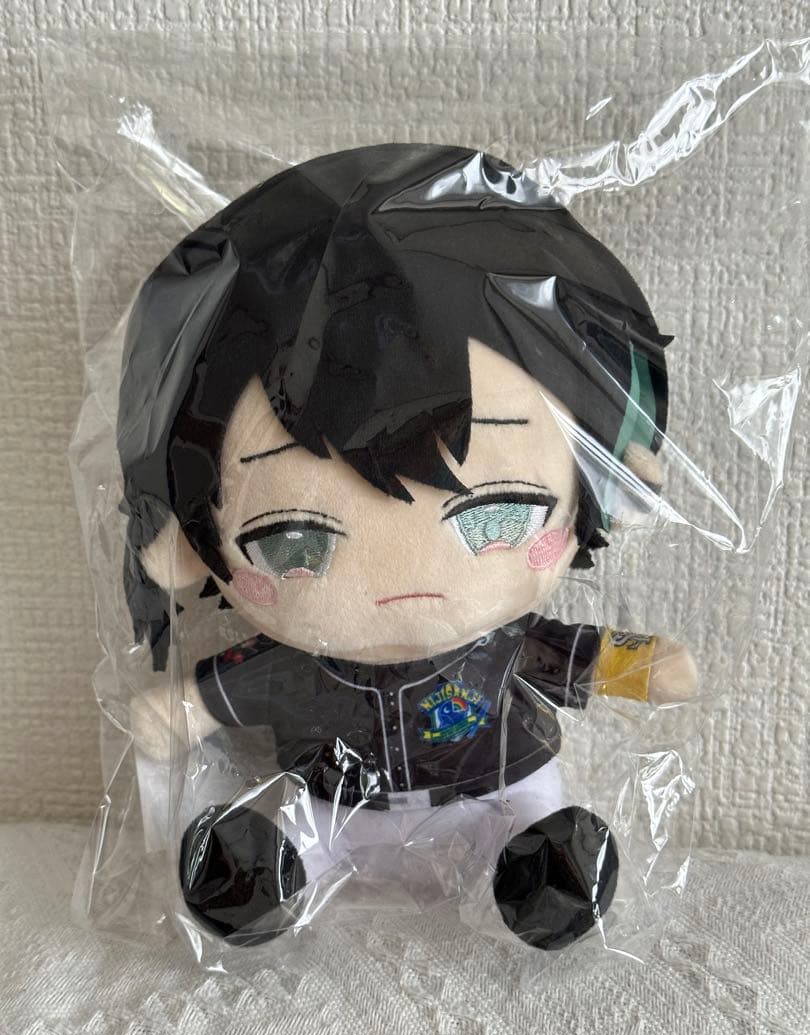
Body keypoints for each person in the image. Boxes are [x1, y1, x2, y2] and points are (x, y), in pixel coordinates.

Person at [120, 143, 697, 951]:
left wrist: (645, 665)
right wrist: (175, 713)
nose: (405, 586)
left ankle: (543, 876)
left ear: (607, 487)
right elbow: (207, 700)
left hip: (497, 796)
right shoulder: (294, 666)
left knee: (537, 832)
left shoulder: (501, 644)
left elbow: (576, 654)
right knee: (289, 842)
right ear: (194, 543)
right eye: (293, 541)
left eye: (495, 516)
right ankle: (270, 878)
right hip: (332, 807)